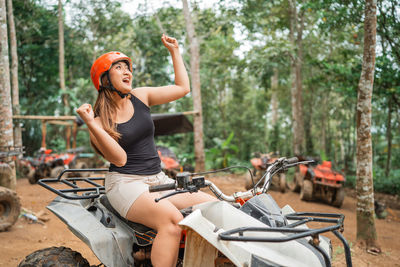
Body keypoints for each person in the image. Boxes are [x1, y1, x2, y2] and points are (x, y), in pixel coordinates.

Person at [76, 34, 216, 267]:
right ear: (104, 79)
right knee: (172, 221)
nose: (127, 72)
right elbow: (120, 159)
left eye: (128, 68)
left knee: (212, 207)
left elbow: (182, 88)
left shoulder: (141, 96)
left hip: (158, 179)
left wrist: (175, 51)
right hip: (125, 185)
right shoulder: (99, 122)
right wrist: (90, 123)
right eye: (118, 68)